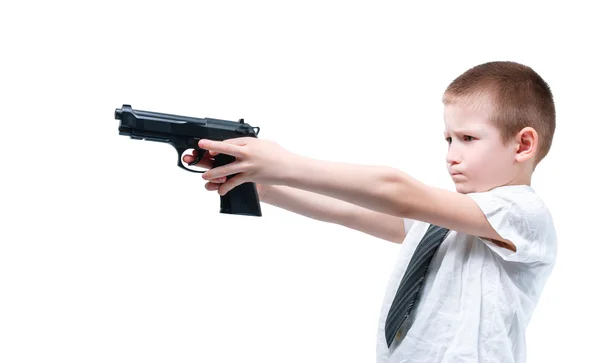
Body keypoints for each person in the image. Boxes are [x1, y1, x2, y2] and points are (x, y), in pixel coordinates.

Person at [183, 60, 557, 363]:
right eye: (449, 139)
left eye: (468, 138)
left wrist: (285, 163)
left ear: (523, 144)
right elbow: (352, 211)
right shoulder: (450, 222)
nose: (451, 154)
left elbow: (395, 191)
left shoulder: (522, 213)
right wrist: (264, 184)